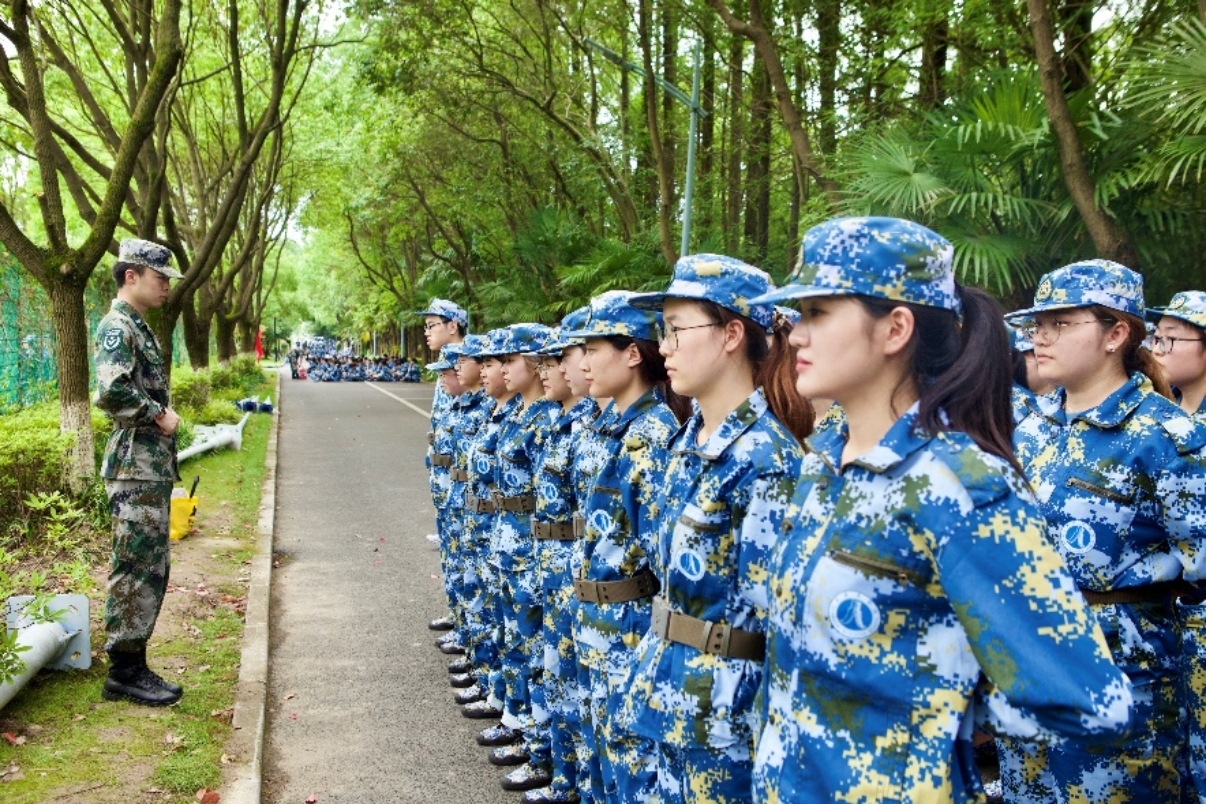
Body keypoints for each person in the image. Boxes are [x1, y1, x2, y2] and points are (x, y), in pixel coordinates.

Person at [747, 218, 1133, 803]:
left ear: (895, 327)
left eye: (818, 312)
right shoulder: (825, 462)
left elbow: (1092, 698)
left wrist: (940, 711)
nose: (796, 336)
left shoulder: (959, 486)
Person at [998, 265, 1206, 804]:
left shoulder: (1167, 440)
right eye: (1036, 324)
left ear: (1117, 335)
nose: (1039, 336)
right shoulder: (1030, 428)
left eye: (1060, 323)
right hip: (1028, 693)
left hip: (1122, 702)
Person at [619, 255, 809, 804]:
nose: (666, 348)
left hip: (727, 718)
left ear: (731, 334)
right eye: (663, 332)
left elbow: (776, 625)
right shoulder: (690, 440)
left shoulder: (765, 458)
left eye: (678, 331)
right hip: (670, 693)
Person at [563, 291, 682, 804]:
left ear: (632, 353)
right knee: (602, 767)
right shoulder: (611, 425)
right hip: (597, 622)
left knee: (633, 775)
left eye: (593, 348)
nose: (583, 362)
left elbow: (661, 560)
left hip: (629, 630)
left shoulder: (653, 434)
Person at [93, 239, 187, 707]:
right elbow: (110, 392)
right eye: (159, 276)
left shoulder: (136, 325)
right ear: (131, 275)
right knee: (135, 567)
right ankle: (124, 672)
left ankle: (133, 664)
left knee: (150, 565)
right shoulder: (118, 327)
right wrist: (156, 414)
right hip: (134, 467)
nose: (166, 285)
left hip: (146, 467)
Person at [525, 309, 599, 804]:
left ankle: (571, 780)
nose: (554, 370)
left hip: (598, 596)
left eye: (565, 357)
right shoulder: (578, 424)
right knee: (559, 678)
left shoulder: (634, 433)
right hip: (561, 573)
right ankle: (564, 777)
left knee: (590, 707)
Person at [1147, 291, 1206, 804]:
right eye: (1155, 336)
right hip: (1169, 623)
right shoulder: (1162, 416)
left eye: (1171, 337)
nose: (1157, 346)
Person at [417, 298, 469, 632]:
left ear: (453, 325)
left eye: (432, 324)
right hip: (442, 473)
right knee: (450, 547)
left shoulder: (467, 363)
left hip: (460, 474)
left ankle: (468, 622)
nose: (426, 332)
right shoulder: (443, 364)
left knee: (466, 550)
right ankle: (457, 613)